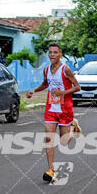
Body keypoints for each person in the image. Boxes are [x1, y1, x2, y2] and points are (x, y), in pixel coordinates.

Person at [26, 43, 82, 183]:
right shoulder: (46, 70)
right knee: (49, 139)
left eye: (55, 52)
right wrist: (34, 90)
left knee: (64, 142)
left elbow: (77, 87)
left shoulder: (65, 70)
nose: (52, 54)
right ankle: (51, 170)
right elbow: (45, 84)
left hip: (65, 109)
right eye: (50, 52)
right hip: (51, 108)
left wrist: (63, 92)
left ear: (60, 54)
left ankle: (73, 127)